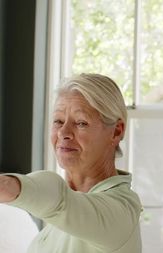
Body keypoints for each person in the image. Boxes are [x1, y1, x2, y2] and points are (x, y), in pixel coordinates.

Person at [0, 73, 142, 253]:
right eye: (58, 121)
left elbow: (59, 200)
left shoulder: (121, 213)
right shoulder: (59, 220)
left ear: (116, 131)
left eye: (81, 123)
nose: (63, 132)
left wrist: (6, 185)